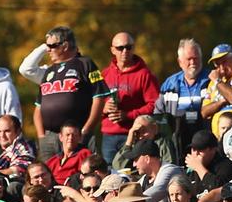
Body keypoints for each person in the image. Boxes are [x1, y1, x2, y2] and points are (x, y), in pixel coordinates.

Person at [21, 26, 107, 159]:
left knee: (81, 175)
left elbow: (99, 97)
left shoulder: (86, 64)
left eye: (52, 46)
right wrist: (41, 135)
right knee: (47, 177)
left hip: (76, 135)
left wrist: (86, 129)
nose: (48, 50)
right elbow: (39, 106)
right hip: (50, 137)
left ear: (65, 45)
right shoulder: (49, 71)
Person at [99, 32, 159, 164]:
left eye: (129, 47)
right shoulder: (105, 74)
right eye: (120, 48)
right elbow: (94, 103)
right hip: (108, 135)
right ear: (113, 50)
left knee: (130, 172)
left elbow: (154, 105)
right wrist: (103, 108)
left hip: (135, 133)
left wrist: (129, 115)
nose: (125, 51)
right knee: (109, 173)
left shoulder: (144, 74)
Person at [155, 38, 208, 160]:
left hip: (205, 137)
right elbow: (159, 114)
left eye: (196, 58)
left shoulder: (210, 80)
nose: (193, 62)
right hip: (177, 140)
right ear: (180, 62)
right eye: (189, 59)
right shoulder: (170, 84)